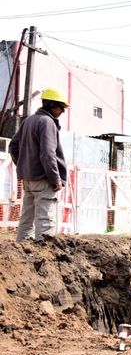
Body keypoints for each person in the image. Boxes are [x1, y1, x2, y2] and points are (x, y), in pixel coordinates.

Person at [9, 87, 69, 241]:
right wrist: (55, 179)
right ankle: (45, 260)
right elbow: (48, 154)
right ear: (51, 105)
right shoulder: (47, 122)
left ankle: (22, 255)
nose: (63, 111)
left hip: (29, 180)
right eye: (61, 108)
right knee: (45, 222)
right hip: (44, 180)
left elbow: (13, 147)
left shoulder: (29, 120)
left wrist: (24, 166)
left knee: (26, 220)